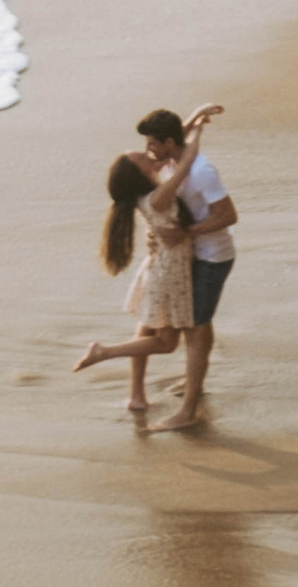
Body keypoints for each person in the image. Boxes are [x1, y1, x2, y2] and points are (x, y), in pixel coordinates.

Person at [72, 105, 222, 417]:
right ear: (139, 174)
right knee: (166, 342)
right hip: (170, 272)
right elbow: (186, 156)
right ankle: (104, 351)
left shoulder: (151, 191)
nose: (147, 153)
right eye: (141, 156)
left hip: (161, 266)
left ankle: (136, 395)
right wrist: (198, 132)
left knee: (150, 331)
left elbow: (170, 145)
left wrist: (194, 118)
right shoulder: (159, 196)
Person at [137, 104, 237, 428]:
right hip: (195, 254)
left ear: (169, 143)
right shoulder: (174, 158)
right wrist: (196, 115)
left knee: (194, 329)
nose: (148, 150)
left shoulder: (201, 172)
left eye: (153, 143)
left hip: (212, 257)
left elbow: (228, 215)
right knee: (199, 325)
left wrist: (184, 234)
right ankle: (195, 384)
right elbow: (183, 132)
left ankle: (188, 411)